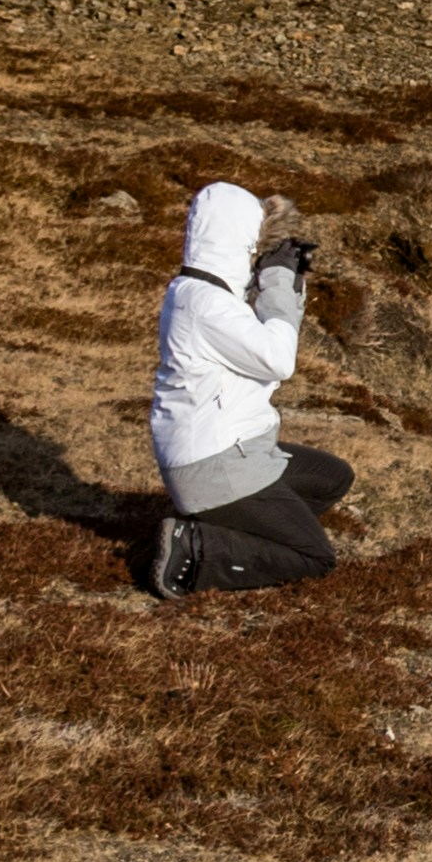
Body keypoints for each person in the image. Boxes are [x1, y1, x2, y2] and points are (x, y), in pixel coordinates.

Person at [148, 181, 351, 596]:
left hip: (232, 452)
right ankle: (195, 549)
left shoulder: (197, 293)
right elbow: (278, 358)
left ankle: (234, 526)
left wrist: (276, 279)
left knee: (332, 477)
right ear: (237, 240)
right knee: (315, 558)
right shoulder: (206, 304)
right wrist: (277, 280)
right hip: (216, 463)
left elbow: (252, 332)